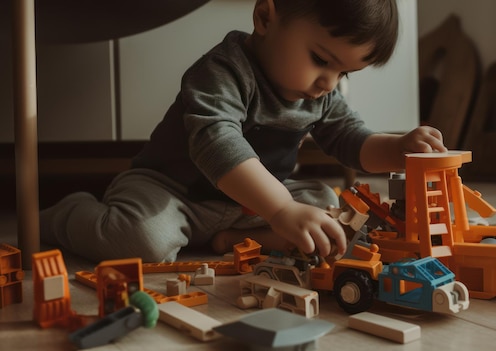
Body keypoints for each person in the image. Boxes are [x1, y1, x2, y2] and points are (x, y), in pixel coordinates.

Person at [40, 0, 446, 263]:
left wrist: (398, 148)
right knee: (141, 242)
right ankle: (66, 215)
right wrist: (281, 210)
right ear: (266, 17)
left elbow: (351, 140)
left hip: (249, 206)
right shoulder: (223, 71)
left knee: (328, 204)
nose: (329, 82)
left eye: (344, 72)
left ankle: (232, 238)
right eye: (321, 59)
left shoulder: (318, 94)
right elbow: (216, 141)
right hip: (172, 192)